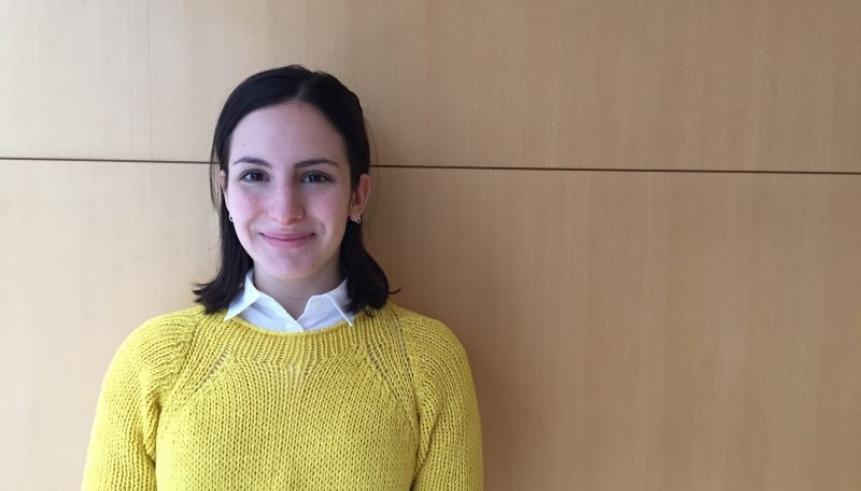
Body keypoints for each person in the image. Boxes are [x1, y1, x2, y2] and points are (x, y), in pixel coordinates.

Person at [82, 65, 483, 489]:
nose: (284, 209)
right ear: (226, 192)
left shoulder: (427, 363)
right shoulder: (154, 359)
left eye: (315, 177)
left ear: (357, 194)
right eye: (255, 176)